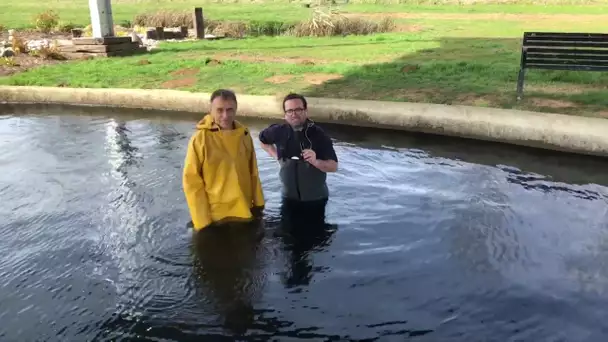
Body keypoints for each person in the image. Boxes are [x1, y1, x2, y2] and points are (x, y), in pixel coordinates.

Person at [183, 89, 265, 231]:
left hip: (243, 210)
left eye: (230, 110)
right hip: (216, 216)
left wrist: (258, 204)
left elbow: (253, 172)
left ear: (236, 110)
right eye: (219, 110)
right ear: (211, 110)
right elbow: (192, 182)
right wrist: (202, 221)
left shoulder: (244, 134)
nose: (225, 116)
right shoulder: (200, 139)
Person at [258, 93, 338, 208]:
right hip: (288, 199)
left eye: (298, 110)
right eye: (289, 111)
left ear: (306, 111)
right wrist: (277, 156)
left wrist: (315, 161)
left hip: (315, 201)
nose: (294, 114)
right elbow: (262, 141)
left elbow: (333, 166)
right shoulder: (278, 131)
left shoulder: (319, 135)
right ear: (285, 114)